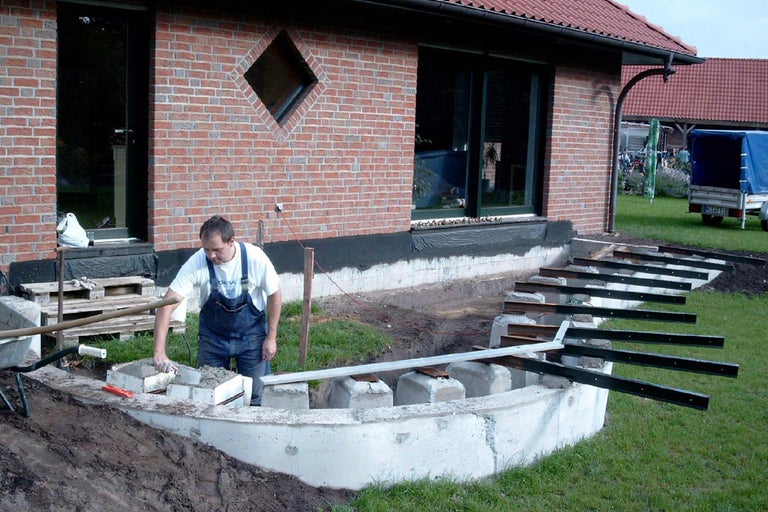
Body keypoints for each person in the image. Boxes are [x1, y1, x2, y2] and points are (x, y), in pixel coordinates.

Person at [153, 215, 281, 406]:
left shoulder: (255, 258)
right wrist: (159, 351)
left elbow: (274, 295)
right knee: (208, 393)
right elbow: (166, 305)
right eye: (207, 249)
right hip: (213, 338)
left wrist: (271, 337)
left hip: (251, 335)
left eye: (217, 250)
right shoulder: (197, 262)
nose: (211, 256)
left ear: (232, 242)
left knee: (255, 394)